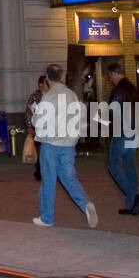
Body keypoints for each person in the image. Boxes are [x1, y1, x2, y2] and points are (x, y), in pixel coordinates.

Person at [31, 65, 98, 229]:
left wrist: (34, 114)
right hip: (69, 144)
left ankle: (47, 218)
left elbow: (38, 121)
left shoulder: (49, 97)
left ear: (47, 77)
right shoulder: (71, 94)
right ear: (61, 76)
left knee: (48, 181)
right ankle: (85, 204)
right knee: (69, 177)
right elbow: (80, 116)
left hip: (51, 143)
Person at [103, 63, 139, 215]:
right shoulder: (133, 89)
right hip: (133, 131)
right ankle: (132, 207)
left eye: (109, 76)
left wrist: (97, 119)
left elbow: (111, 112)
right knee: (129, 166)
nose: (109, 79)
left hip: (121, 132)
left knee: (113, 165)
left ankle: (133, 194)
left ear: (114, 73)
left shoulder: (119, 90)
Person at [26, 74, 49, 181]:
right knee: (39, 150)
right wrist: (30, 126)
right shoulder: (35, 97)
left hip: (51, 128)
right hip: (38, 128)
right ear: (41, 84)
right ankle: (39, 172)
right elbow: (29, 112)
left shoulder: (52, 96)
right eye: (46, 82)